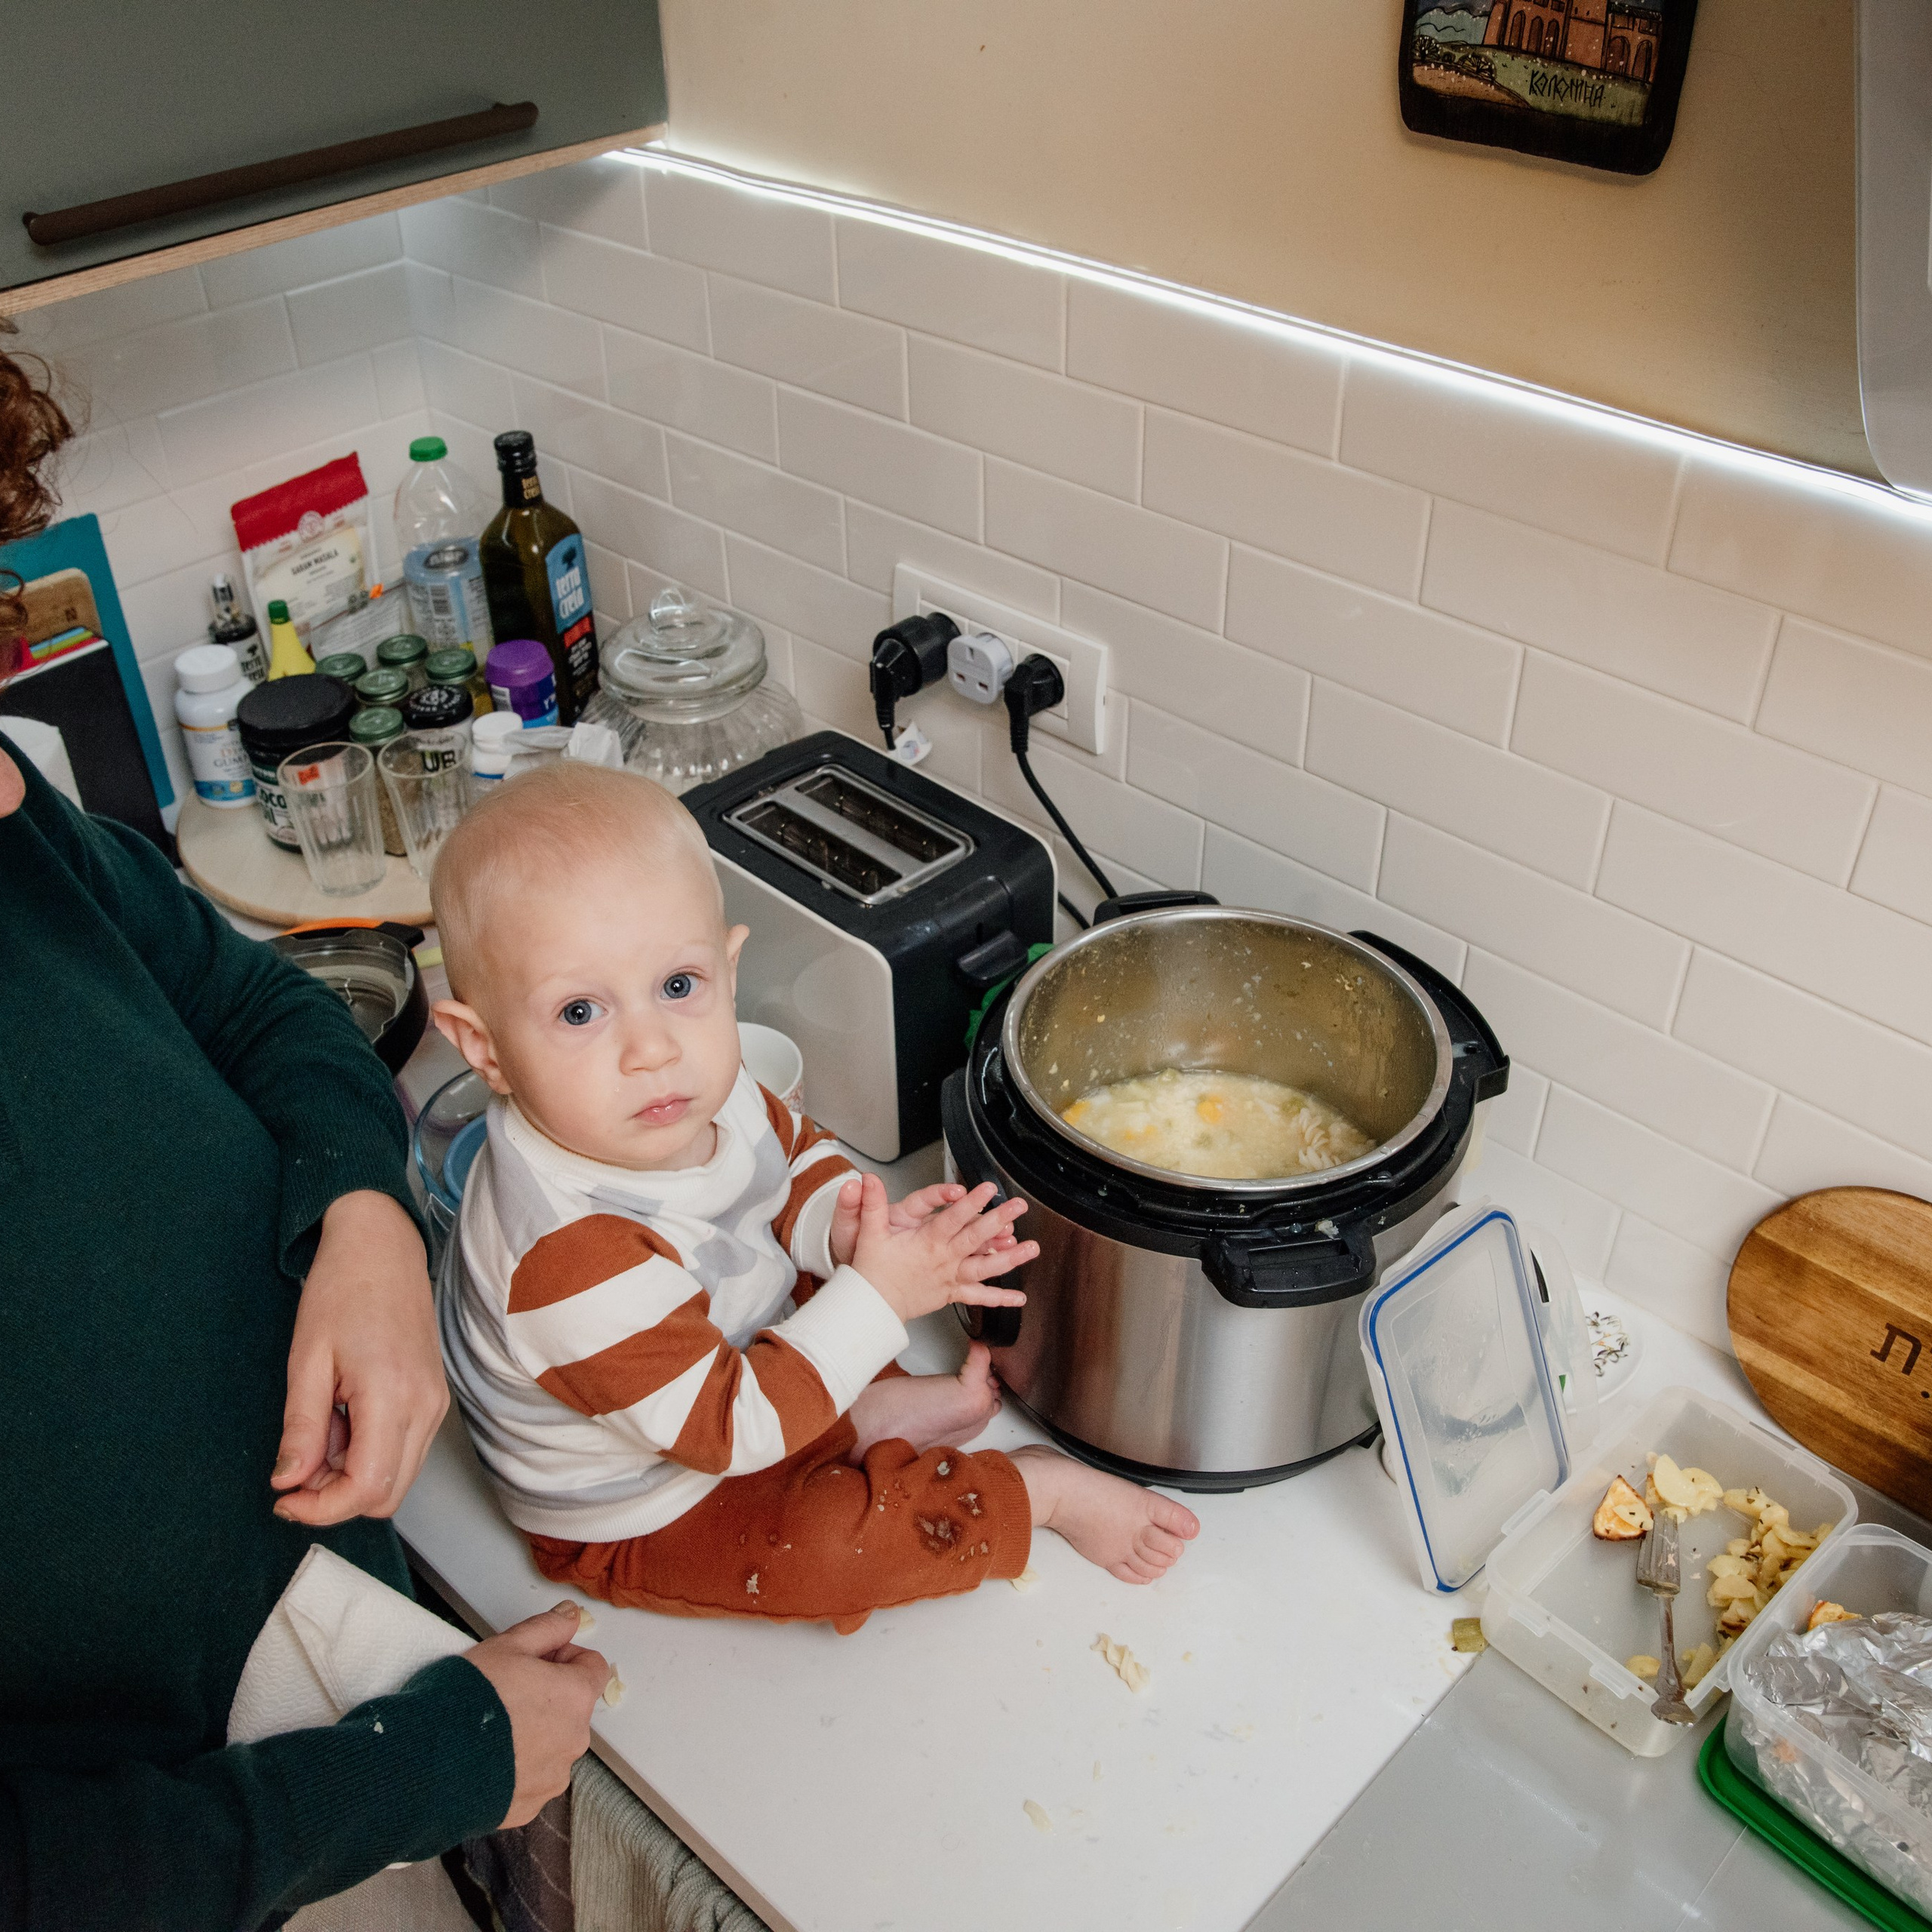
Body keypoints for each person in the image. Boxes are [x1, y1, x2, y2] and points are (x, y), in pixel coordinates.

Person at [0, 334, 610, 1930]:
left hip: (333, 1630)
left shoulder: (10, 821)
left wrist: (362, 1225)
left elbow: (270, 1008)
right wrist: (417, 1773)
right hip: (219, 1835)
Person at [430, 761, 1200, 1632]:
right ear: (482, 1047)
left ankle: (863, 1412)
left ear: (725, 970)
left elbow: (786, 1156)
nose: (650, 1047)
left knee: (821, 1292)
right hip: (647, 1493)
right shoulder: (566, 1258)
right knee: (827, 1552)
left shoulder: (680, 1087)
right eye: (579, 1013)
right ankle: (1036, 1491)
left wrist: (846, 1225)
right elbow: (731, 1431)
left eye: (678, 987)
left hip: (719, 1369)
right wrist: (879, 1295)